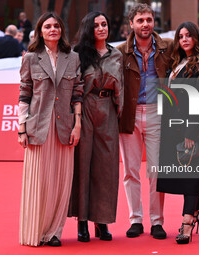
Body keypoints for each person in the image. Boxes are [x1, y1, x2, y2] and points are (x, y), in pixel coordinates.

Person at [117, 3, 199, 240]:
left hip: (157, 114)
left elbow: (191, 45)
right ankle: (135, 219)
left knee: (156, 171)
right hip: (129, 114)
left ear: (153, 21)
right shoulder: (120, 51)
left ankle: (157, 221)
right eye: (140, 20)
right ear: (132, 24)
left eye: (149, 19)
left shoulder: (166, 46)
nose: (145, 24)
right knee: (130, 171)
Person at [18, 12, 83, 247]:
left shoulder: (72, 58)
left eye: (56, 26)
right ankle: (36, 231)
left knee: (61, 181)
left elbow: (77, 93)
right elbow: (25, 94)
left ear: (61, 30)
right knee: (40, 182)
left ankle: (55, 232)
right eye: (48, 26)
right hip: (38, 128)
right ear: (40, 31)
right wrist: (21, 129)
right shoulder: (31, 58)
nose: (53, 29)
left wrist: (77, 125)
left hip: (65, 127)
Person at [157, 21, 199, 245]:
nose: (184, 39)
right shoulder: (176, 61)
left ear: (196, 38)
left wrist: (192, 131)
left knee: (191, 171)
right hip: (174, 125)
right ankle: (196, 211)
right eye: (180, 36)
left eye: (188, 35)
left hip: (195, 126)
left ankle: (187, 222)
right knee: (186, 167)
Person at [68, 11, 123, 242]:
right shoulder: (78, 54)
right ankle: (82, 222)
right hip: (86, 107)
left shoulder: (117, 54)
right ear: (89, 28)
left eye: (105, 24)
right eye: (97, 25)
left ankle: (102, 222)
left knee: (106, 167)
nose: (102, 28)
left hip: (109, 109)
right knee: (83, 165)